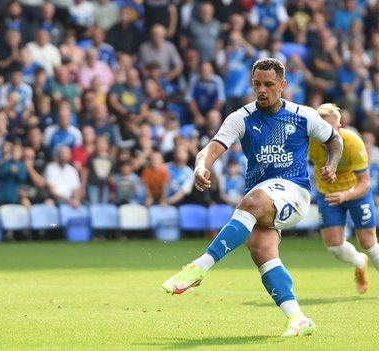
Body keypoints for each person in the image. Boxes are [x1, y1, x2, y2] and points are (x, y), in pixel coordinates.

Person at [161, 58, 343, 336]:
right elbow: (210, 149)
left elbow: (334, 140)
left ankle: (199, 268)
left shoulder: (303, 115)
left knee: (251, 202)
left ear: (282, 85)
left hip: (293, 192)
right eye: (257, 84)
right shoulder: (241, 118)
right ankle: (299, 319)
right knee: (262, 251)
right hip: (263, 197)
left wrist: (331, 164)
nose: (262, 90)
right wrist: (200, 167)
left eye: (269, 85)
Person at [308, 103, 379, 294]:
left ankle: (367, 257)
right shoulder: (309, 141)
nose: (324, 133)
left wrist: (346, 195)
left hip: (356, 193)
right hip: (328, 195)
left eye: (330, 128)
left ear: (339, 127)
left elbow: (365, 183)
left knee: (368, 244)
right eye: (320, 128)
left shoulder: (353, 142)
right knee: (334, 246)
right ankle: (358, 261)